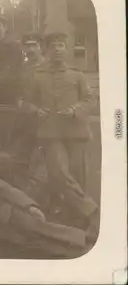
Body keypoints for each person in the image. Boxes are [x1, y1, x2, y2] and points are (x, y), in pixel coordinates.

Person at [0, 157, 98, 258]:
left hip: (11, 213)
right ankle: (73, 252)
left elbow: (8, 191)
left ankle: (83, 238)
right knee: (32, 243)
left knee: (42, 229)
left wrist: (30, 206)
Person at [23, 31, 99, 229]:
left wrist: (75, 110)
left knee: (77, 175)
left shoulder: (77, 74)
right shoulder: (38, 76)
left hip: (76, 132)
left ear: (66, 50)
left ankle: (79, 218)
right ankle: (91, 210)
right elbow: (26, 102)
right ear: (47, 50)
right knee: (59, 173)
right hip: (51, 133)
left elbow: (90, 99)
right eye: (53, 46)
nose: (57, 50)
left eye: (61, 46)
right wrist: (36, 110)